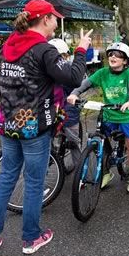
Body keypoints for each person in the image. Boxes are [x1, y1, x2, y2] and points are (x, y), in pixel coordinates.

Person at [0, 0, 90, 254]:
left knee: (6, 177)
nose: (56, 23)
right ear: (45, 19)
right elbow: (72, 77)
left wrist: (7, 111)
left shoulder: (8, 46)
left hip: (7, 123)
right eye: (54, 18)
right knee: (34, 181)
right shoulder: (44, 50)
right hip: (34, 127)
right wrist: (81, 50)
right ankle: (31, 238)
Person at [68, 42, 129, 192]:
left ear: (125, 60)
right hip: (109, 113)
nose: (113, 56)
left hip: (126, 114)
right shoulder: (102, 73)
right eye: (110, 54)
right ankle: (106, 171)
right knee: (100, 137)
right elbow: (85, 84)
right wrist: (75, 93)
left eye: (118, 55)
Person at [48, 38, 82, 172]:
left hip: (63, 114)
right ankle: (81, 173)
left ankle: (80, 172)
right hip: (63, 114)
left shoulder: (60, 72)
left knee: (71, 143)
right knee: (73, 143)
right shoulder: (68, 71)